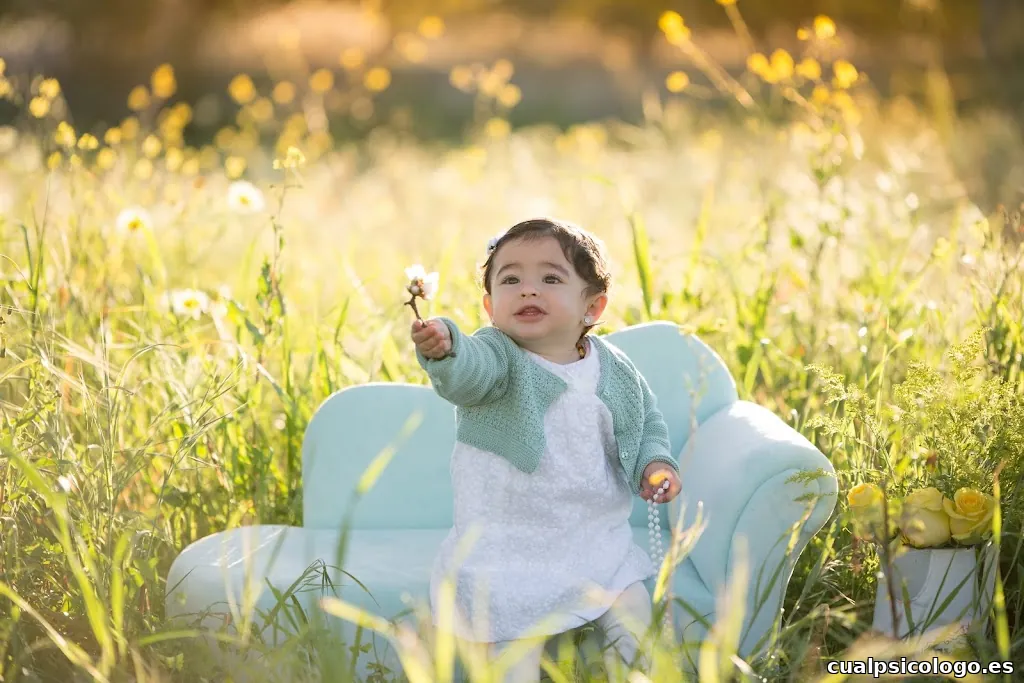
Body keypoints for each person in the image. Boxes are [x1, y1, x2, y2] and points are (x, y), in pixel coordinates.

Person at [410, 217, 682, 683]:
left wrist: (654, 463)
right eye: (510, 279)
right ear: (490, 305)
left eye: (550, 278)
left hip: (594, 540)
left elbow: (645, 423)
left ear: (592, 306)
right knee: (510, 660)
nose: (528, 290)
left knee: (639, 631)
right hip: (507, 548)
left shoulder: (612, 367)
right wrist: (447, 348)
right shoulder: (497, 355)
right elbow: (468, 375)